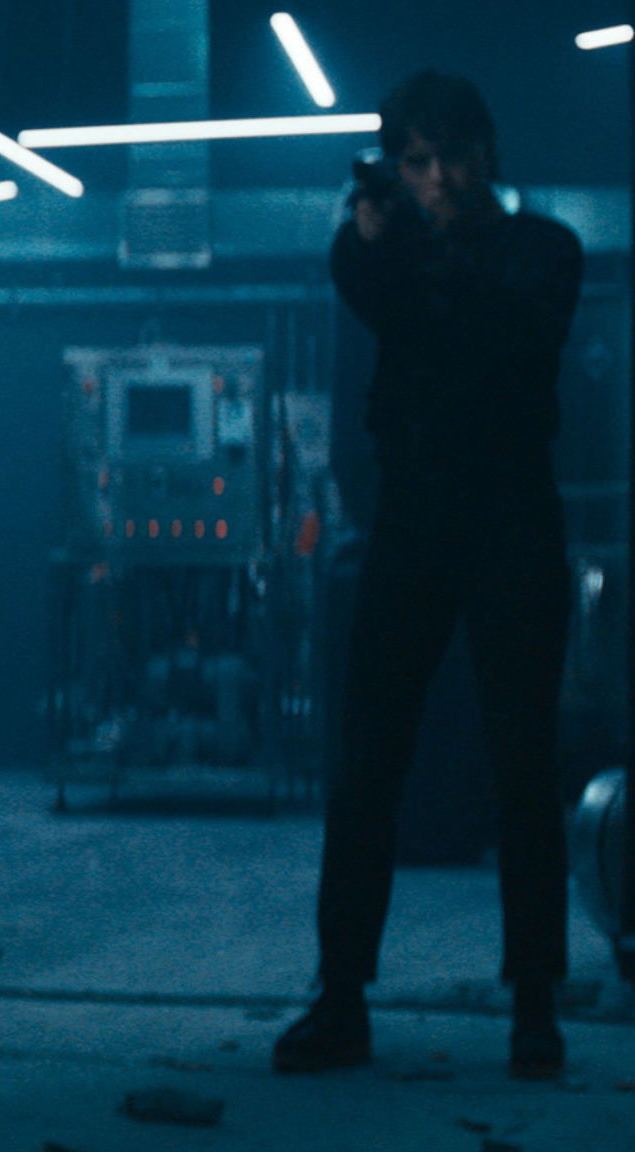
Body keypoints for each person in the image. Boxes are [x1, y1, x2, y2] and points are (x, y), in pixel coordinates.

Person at [274, 71, 581, 1080]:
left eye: (452, 157)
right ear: (398, 168)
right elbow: (362, 280)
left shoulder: (543, 250)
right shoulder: (383, 254)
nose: (438, 178)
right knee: (366, 763)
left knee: (522, 765)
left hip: (509, 518)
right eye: (417, 162)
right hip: (411, 522)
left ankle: (533, 1003)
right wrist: (379, 236)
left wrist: (405, 241)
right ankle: (340, 997)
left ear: (485, 155)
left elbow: (504, 328)